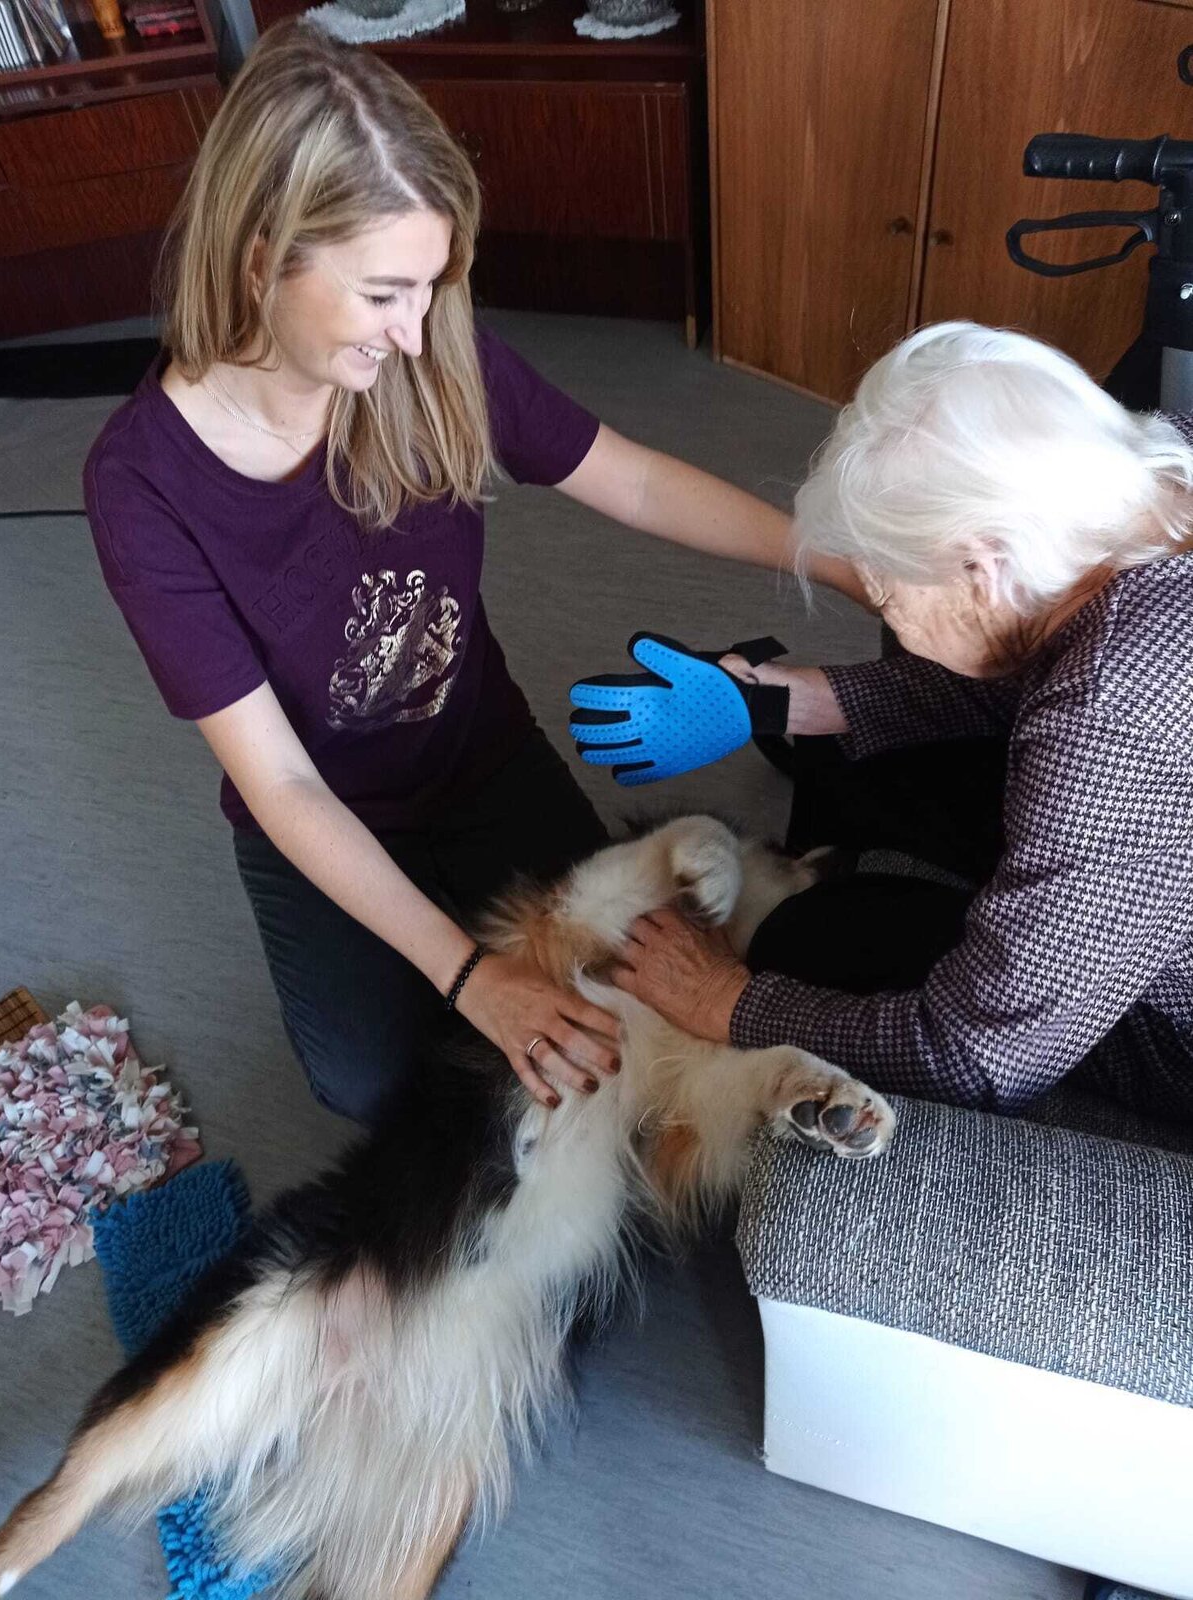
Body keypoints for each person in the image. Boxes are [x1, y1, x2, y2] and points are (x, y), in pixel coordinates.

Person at [83, 19, 852, 1127]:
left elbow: (633, 481)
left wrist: (830, 561)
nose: (413, 331)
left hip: (480, 756)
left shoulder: (435, 354)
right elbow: (283, 784)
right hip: (319, 804)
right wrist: (471, 975)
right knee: (372, 1081)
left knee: (621, 985)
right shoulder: (141, 485)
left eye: (432, 286)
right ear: (259, 255)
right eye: (383, 292)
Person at [593, 322, 1193, 1126]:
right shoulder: (1155, 467)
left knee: (804, 942)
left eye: (885, 583)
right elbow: (1040, 651)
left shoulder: (1112, 712)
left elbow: (974, 1057)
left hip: (1173, 1041)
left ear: (983, 567)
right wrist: (781, 700)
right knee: (848, 759)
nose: (877, 599)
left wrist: (727, 1000)